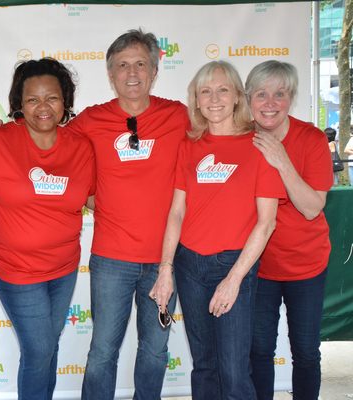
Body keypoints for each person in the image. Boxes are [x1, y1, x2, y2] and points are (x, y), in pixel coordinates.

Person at [0, 28, 190, 400]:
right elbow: (42, 132)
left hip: (164, 261)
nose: (132, 73)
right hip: (110, 260)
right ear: (110, 74)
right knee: (99, 352)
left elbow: (222, 138)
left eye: (140, 64)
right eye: (122, 65)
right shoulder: (89, 122)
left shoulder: (180, 116)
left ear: (154, 70)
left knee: (155, 350)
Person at [154, 60, 285, 399]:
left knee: (233, 369)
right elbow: (176, 212)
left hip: (233, 265)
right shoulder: (189, 145)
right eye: (205, 91)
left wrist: (234, 280)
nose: (214, 98)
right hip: (189, 266)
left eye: (223, 89)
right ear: (196, 101)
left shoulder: (260, 146)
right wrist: (165, 269)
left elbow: (266, 221)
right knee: (205, 365)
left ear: (238, 98)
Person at [0, 58, 95, 400]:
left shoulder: (80, 147)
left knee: (46, 348)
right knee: (40, 349)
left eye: (52, 98)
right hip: (15, 269)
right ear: (19, 104)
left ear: (65, 101)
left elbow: (96, 199)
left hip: (64, 267)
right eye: (32, 99)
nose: (43, 107)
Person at [247, 60, 333, 400]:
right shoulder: (242, 139)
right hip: (259, 266)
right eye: (261, 94)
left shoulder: (310, 138)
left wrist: (281, 160)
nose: (270, 103)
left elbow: (313, 207)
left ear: (292, 98)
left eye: (279, 94)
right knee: (259, 352)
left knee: (307, 353)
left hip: (306, 266)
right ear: (248, 100)